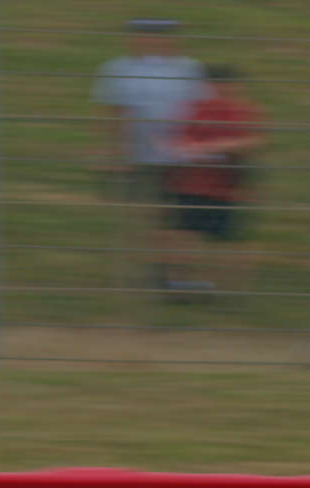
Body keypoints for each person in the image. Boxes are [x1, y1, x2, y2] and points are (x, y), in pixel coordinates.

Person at [91, 18, 206, 292]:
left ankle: (171, 273)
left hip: (183, 156)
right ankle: (156, 272)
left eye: (160, 37)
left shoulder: (190, 69)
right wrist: (112, 151)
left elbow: (201, 111)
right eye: (146, 36)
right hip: (140, 157)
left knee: (181, 216)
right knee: (151, 214)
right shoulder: (117, 69)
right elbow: (113, 113)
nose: (153, 42)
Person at [168, 65, 266, 298]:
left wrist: (213, 147)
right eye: (216, 85)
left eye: (227, 85)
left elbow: (254, 143)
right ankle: (183, 286)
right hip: (193, 185)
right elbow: (179, 146)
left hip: (228, 188)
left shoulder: (244, 111)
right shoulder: (194, 110)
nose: (221, 90)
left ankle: (227, 289)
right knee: (186, 236)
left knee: (228, 241)